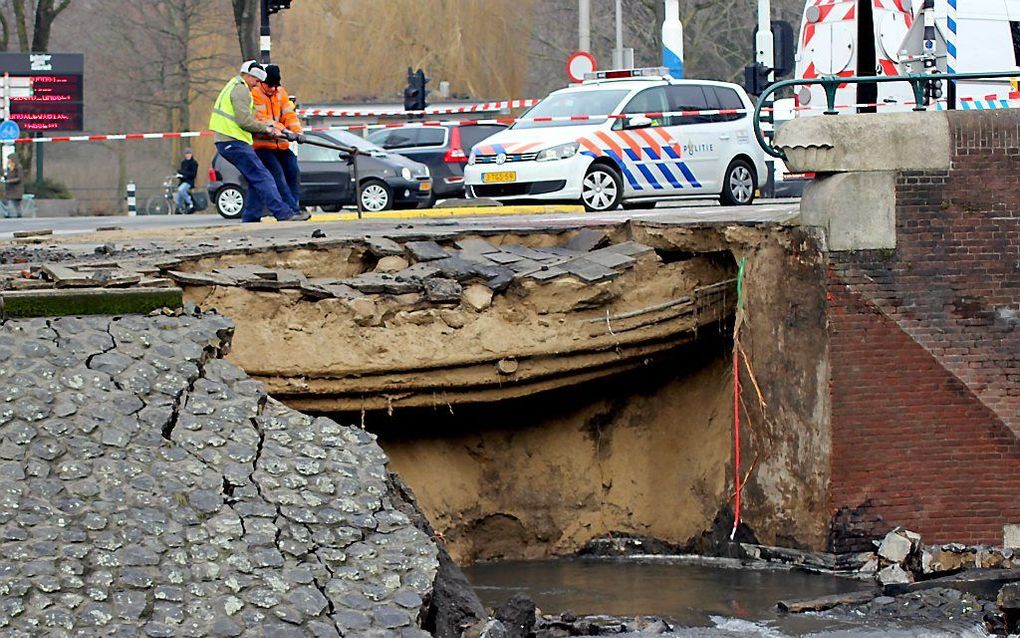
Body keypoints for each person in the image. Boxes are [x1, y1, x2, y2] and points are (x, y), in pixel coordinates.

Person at [208, 60, 308, 222]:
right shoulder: (241, 91)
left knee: (257, 179)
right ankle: (284, 213)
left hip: (230, 141)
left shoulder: (235, 86)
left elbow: (258, 117)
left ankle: (251, 217)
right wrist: (269, 130)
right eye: (256, 80)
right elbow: (245, 121)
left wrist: (288, 131)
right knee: (263, 176)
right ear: (248, 75)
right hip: (233, 140)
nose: (257, 83)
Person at [253, 64, 305, 218]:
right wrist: (284, 131)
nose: (272, 89)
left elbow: (289, 115)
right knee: (278, 176)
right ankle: (292, 211)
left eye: (276, 85)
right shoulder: (255, 94)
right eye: (270, 85)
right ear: (262, 82)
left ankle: (294, 205)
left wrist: (297, 132)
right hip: (263, 145)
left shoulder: (280, 93)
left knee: (293, 171)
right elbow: (262, 119)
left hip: (281, 144)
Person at [175, 148, 198, 214]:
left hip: (189, 181)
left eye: (189, 154)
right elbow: (182, 172)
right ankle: (179, 207)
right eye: (186, 154)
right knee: (179, 193)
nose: (188, 155)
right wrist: (180, 175)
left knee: (181, 190)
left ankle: (190, 203)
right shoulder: (183, 163)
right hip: (183, 181)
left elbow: (193, 175)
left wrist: (184, 174)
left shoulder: (194, 163)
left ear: (191, 154)